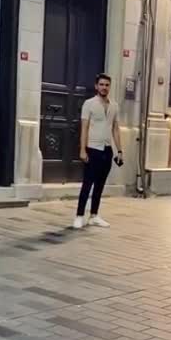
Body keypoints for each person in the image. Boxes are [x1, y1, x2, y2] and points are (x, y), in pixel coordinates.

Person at [74, 73, 124, 229]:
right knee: (87, 184)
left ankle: (94, 215)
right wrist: (83, 150)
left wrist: (119, 150)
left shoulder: (114, 106)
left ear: (110, 87)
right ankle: (79, 216)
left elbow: (116, 129)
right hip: (92, 149)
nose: (104, 87)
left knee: (100, 185)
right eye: (101, 84)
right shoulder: (89, 104)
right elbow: (85, 127)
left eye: (107, 85)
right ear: (96, 86)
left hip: (107, 150)